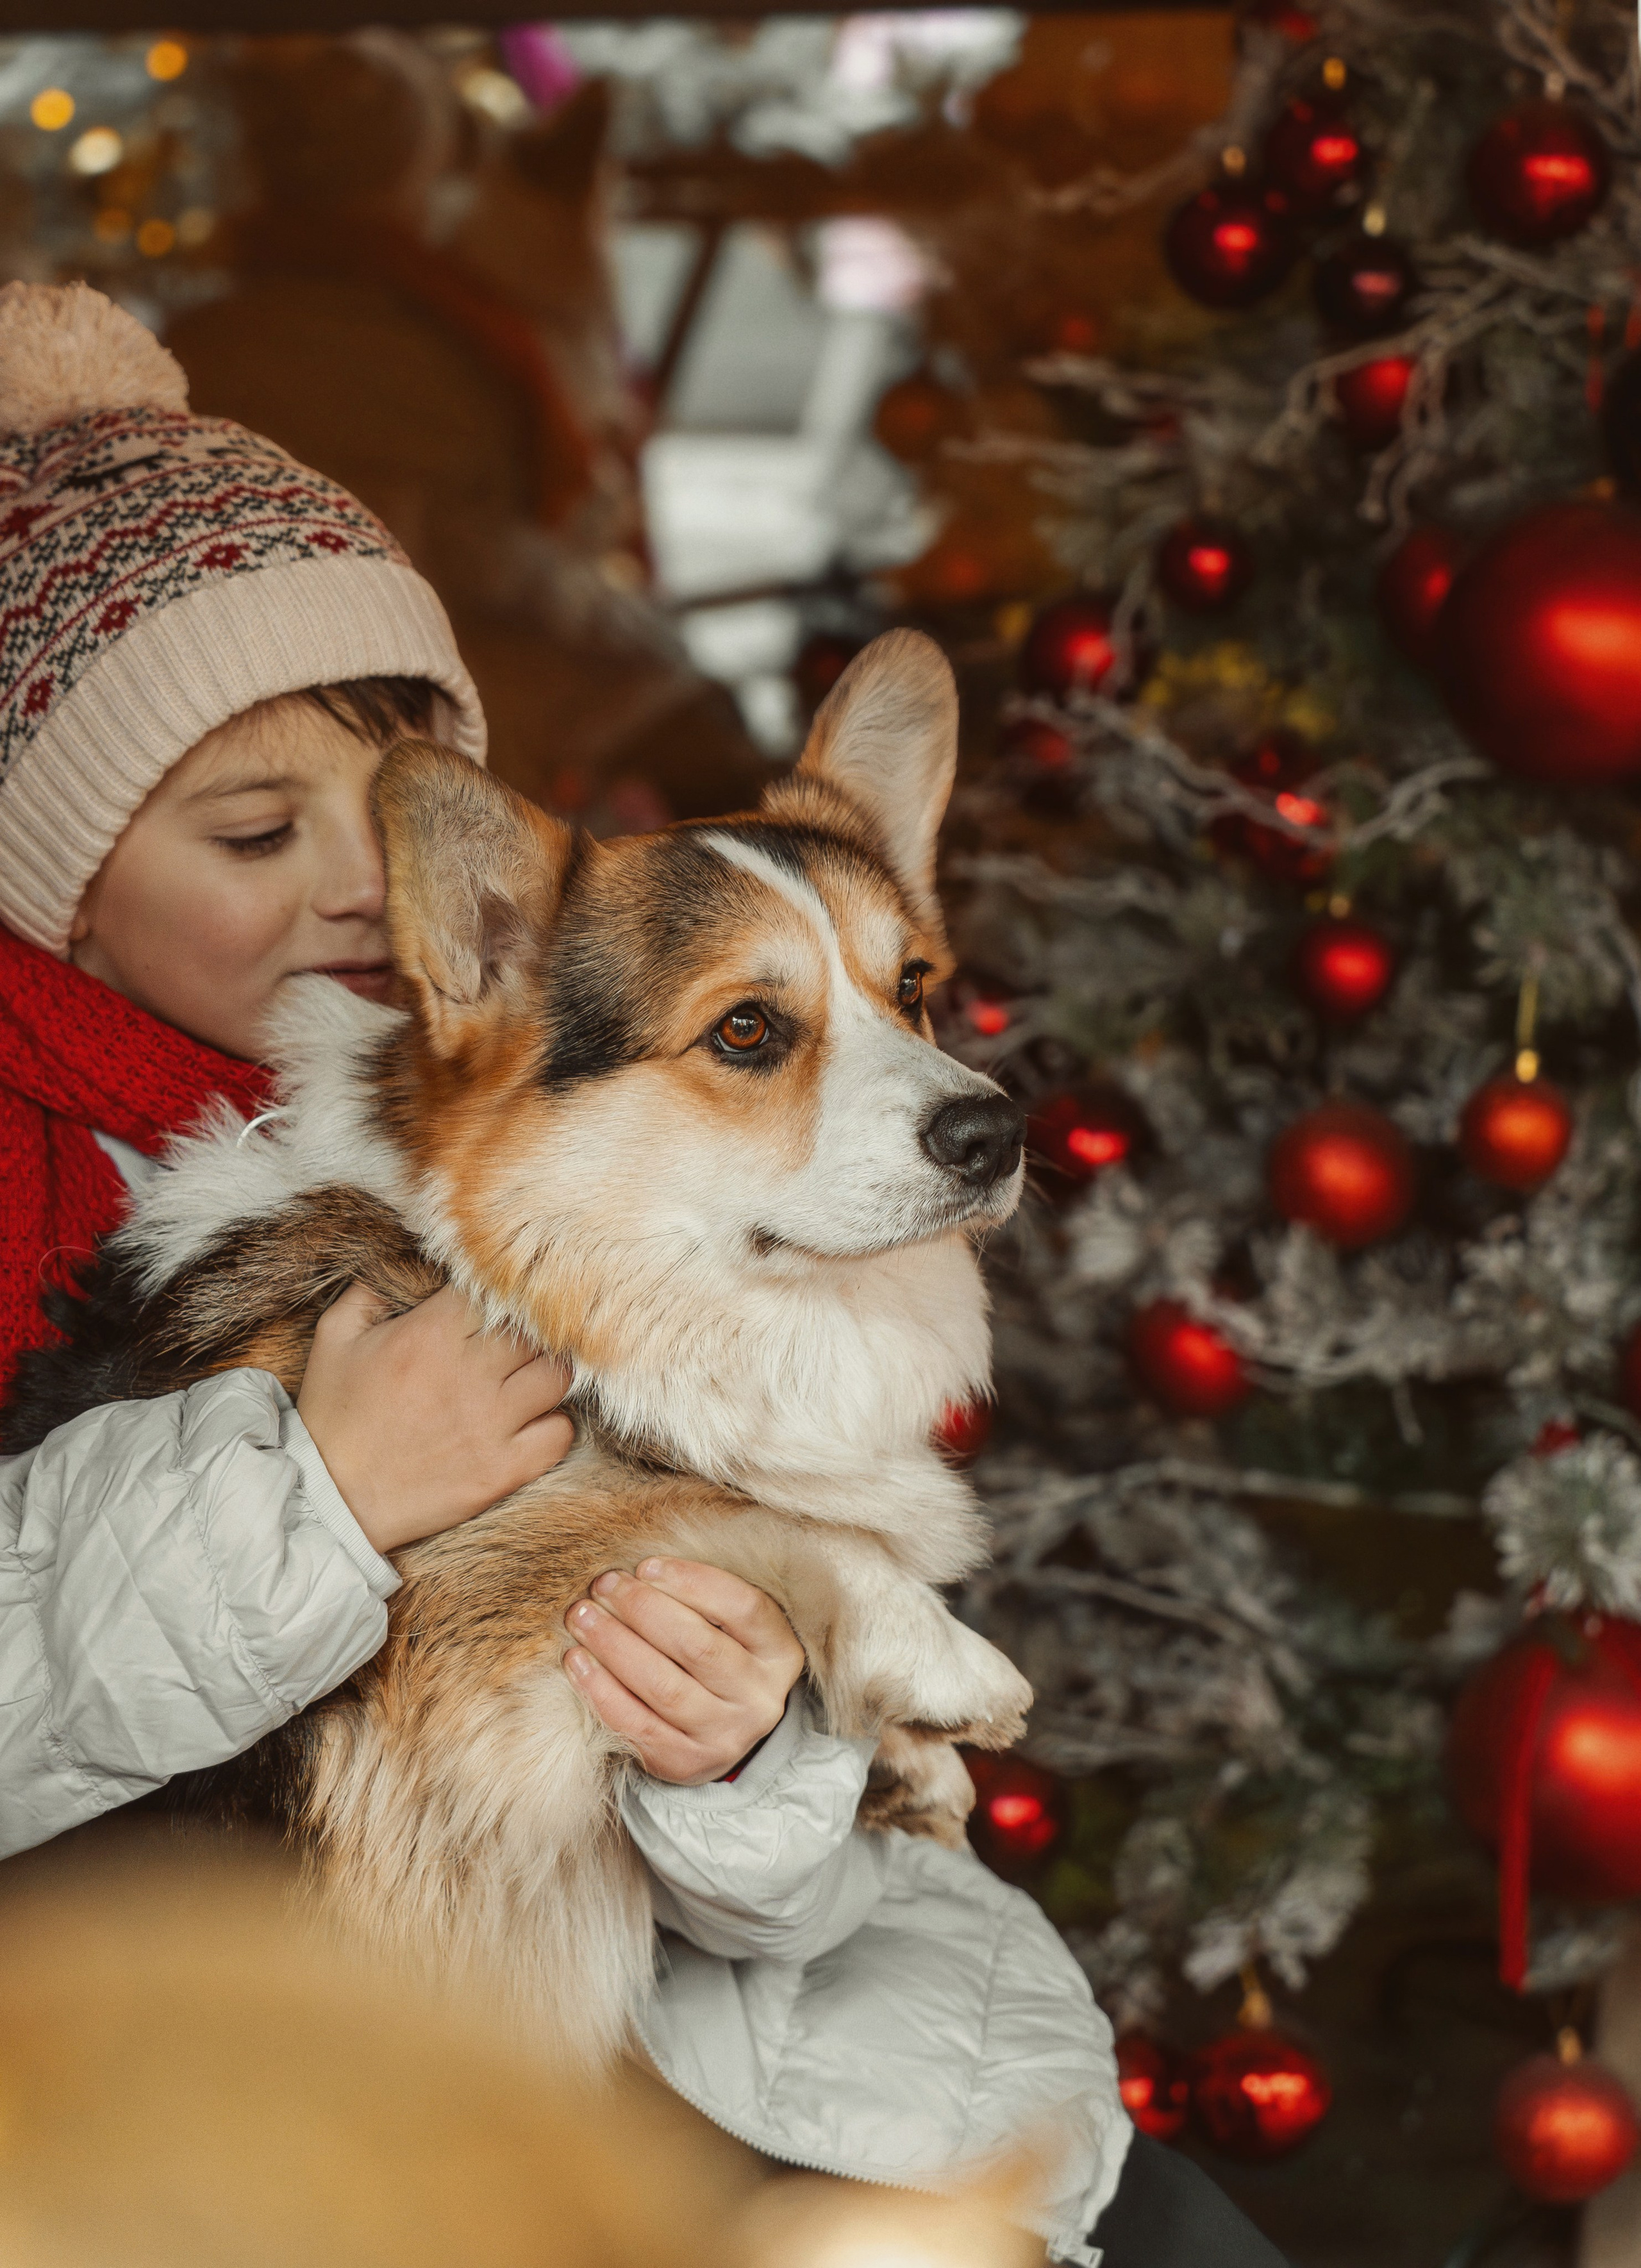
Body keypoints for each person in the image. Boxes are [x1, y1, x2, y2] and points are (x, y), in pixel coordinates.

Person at [0, 284, 1285, 2268]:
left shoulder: (544, 1170)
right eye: (257, 828)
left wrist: (750, 1747)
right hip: (202, 2063)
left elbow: (757, 1874)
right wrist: (312, 1489)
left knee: (1173, 2230)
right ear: (46, 871)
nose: (364, 887)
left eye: (397, 803)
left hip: (689, 2023)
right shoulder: (118, 1218)